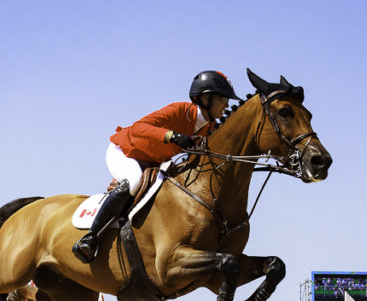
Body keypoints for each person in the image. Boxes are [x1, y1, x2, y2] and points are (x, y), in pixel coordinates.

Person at [72, 70, 242, 263]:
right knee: (133, 181)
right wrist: (171, 135)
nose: (227, 105)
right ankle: (90, 238)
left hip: (154, 162)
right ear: (206, 98)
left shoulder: (209, 129)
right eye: (223, 99)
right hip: (127, 151)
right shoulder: (179, 110)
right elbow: (138, 127)